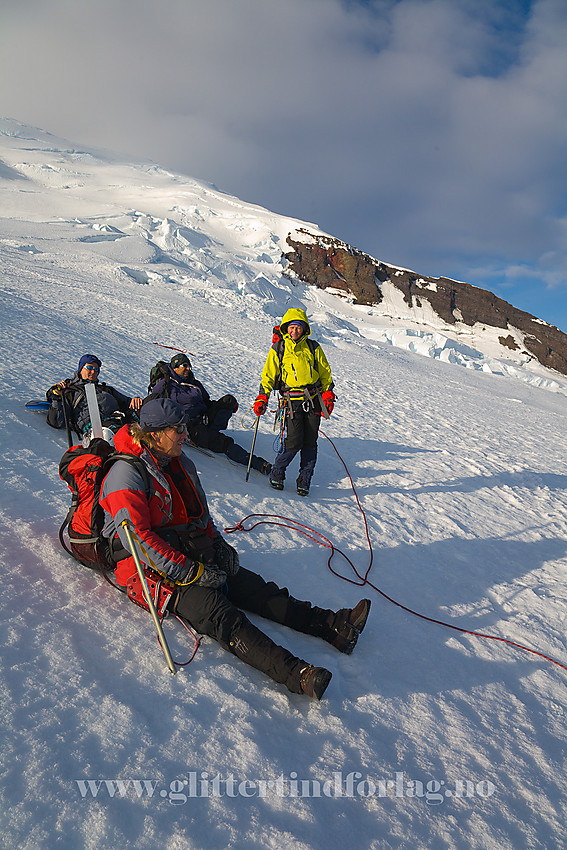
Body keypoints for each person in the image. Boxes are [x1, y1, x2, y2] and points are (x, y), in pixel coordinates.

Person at [99, 397, 370, 700]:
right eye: (178, 429)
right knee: (220, 615)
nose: (185, 434)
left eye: (184, 426)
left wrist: (216, 543)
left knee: (252, 586)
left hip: (186, 548)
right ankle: (299, 675)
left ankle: (334, 626)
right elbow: (137, 540)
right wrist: (191, 572)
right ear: (154, 433)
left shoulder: (179, 462)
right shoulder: (125, 473)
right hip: (145, 568)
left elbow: (199, 513)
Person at [254, 308, 336, 496]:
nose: (295, 331)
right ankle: (277, 472)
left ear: (305, 329)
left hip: (314, 399)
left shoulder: (313, 347)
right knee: (294, 441)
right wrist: (262, 396)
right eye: (291, 327)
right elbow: (268, 375)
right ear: (286, 328)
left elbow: (325, 373)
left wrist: (328, 394)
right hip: (291, 402)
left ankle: (304, 480)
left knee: (310, 442)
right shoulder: (279, 348)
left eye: (298, 328)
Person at [150, 352, 271, 475]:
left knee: (228, 400)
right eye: (184, 365)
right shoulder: (166, 384)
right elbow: (154, 404)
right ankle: (258, 464)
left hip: (204, 418)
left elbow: (206, 401)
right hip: (189, 425)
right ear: (175, 367)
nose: (188, 369)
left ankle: (211, 432)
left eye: (188, 366)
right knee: (224, 442)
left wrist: (226, 407)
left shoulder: (194, 383)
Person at [46, 354, 143, 438]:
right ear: (81, 368)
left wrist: (136, 400)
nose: (93, 372)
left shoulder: (105, 389)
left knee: (150, 404)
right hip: (99, 426)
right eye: (89, 368)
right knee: (122, 434)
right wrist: (56, 397)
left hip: (120, 420)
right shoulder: (70, 391)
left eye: (96, 369)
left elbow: (128, 403)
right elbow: (57, 421)